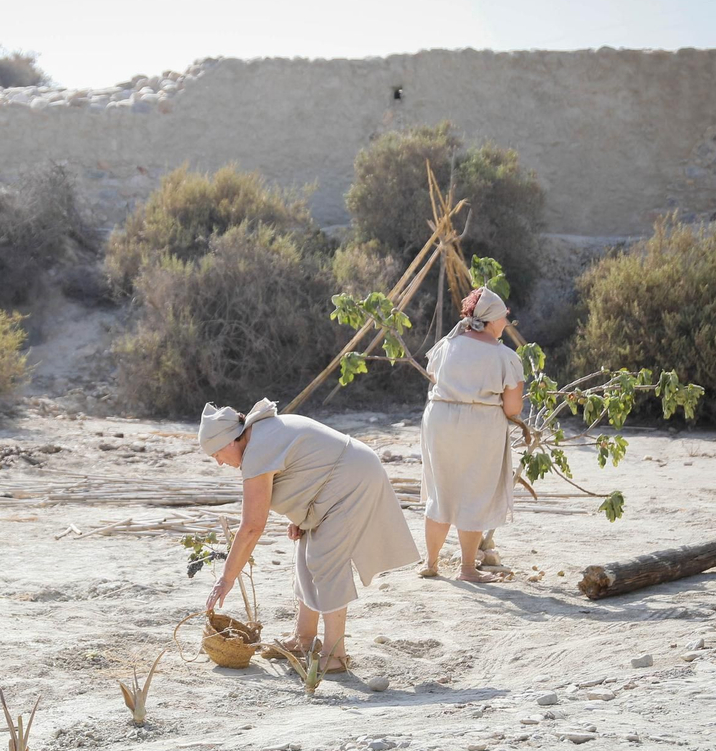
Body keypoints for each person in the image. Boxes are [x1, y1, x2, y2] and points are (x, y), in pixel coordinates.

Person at [199, 398, 418, 673]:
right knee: (305, 553)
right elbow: (306, 468)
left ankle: (335, 654)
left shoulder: (258, 448)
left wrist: (226, 578)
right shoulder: (259, 436)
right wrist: (301, 516)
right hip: (336, 482)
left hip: (353, 480)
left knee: (326, 562)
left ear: (231, 441)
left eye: (216, 454)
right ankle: (304, 638)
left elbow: (252, 526)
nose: (219, 463)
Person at [419, 287, 525, 583]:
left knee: (442, 490)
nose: (506, 322)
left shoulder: (446, 345)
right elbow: (513, 407)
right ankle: (467, 569)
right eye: (504, 317)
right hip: (479, 425)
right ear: (493, 320)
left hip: (439, 420)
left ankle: (432, 562)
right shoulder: (505, 357)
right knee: (473, 492)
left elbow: (435, 378)